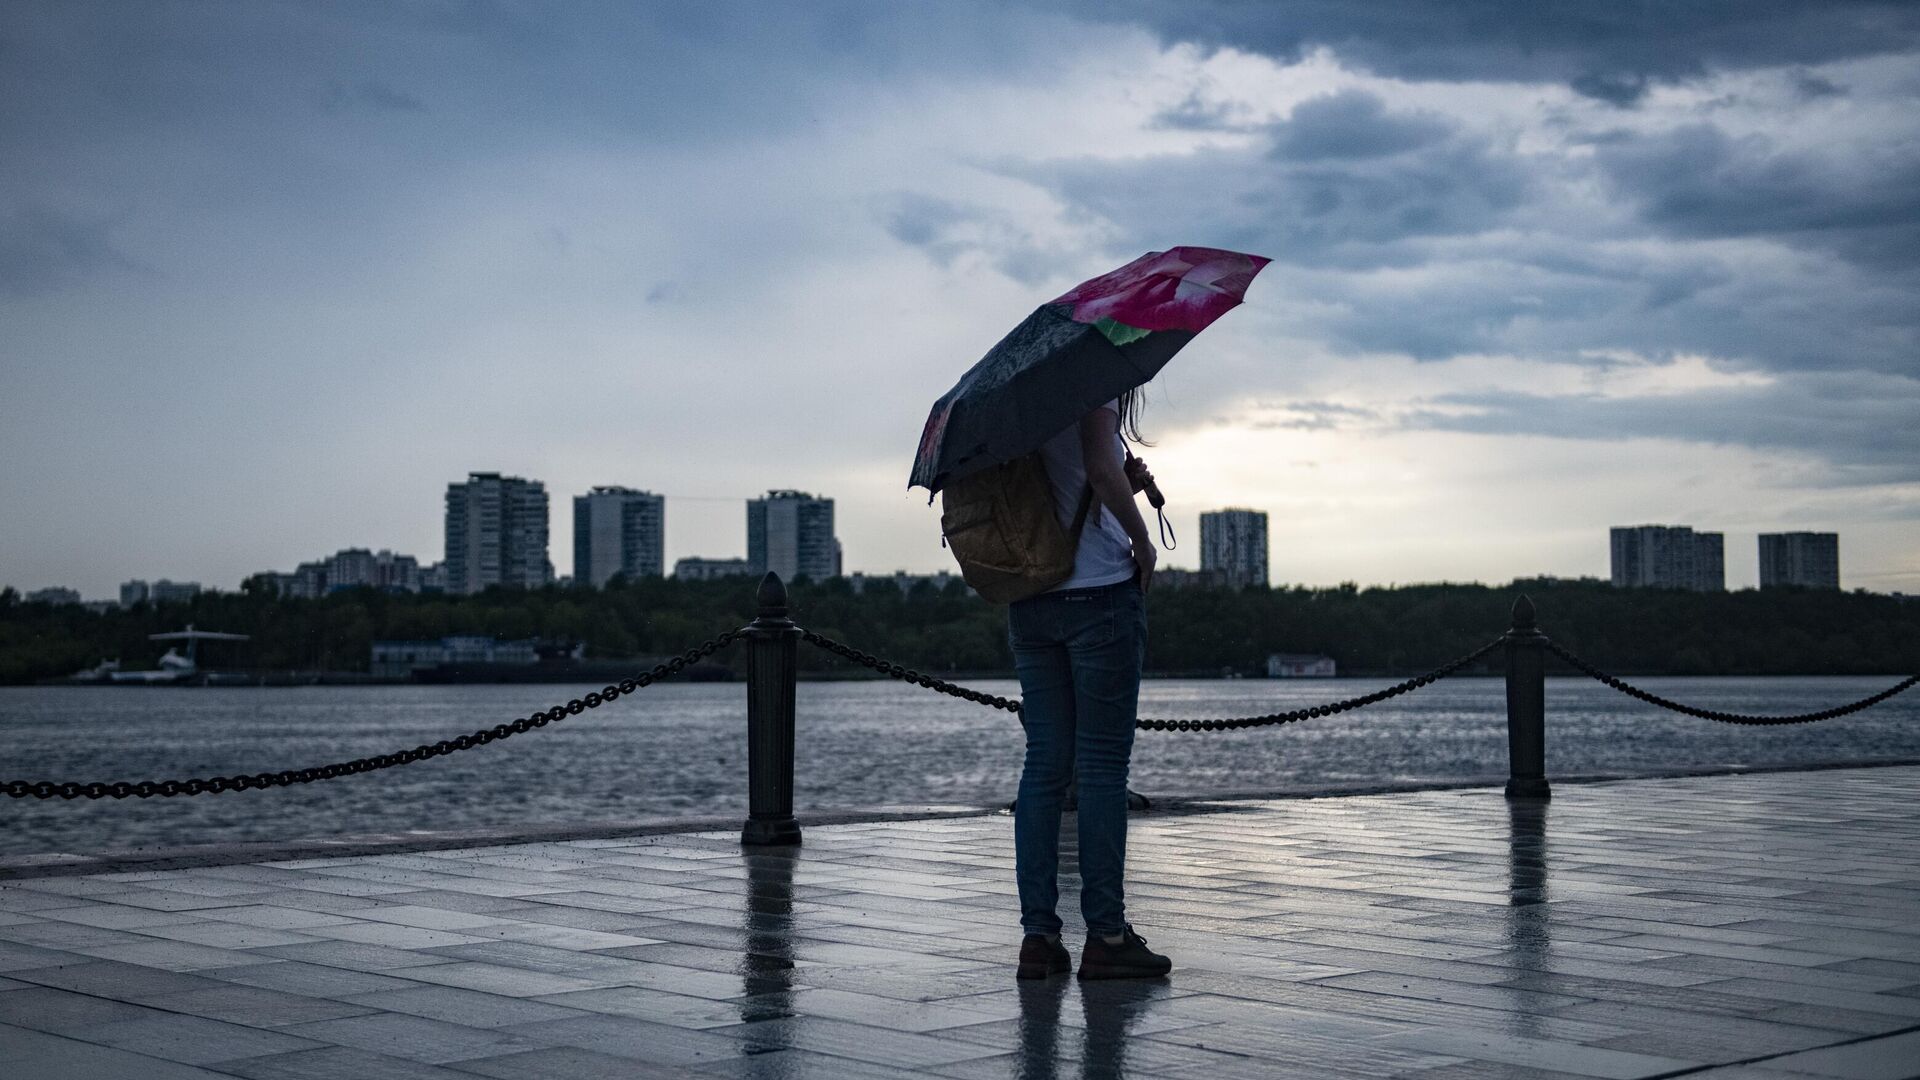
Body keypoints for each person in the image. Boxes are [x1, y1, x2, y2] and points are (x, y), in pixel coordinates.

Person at [1012, 388, 1171, 981]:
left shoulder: (1021, 404)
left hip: (1029, 596)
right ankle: (1105, 935)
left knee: (1044, 766)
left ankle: (1038, 938)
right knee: (1103, 767)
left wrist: (1115, 488)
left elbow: (1067, 486)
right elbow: (1099, 471)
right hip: (1100, 593)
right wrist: (1142, 538)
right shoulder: (1093, 385)